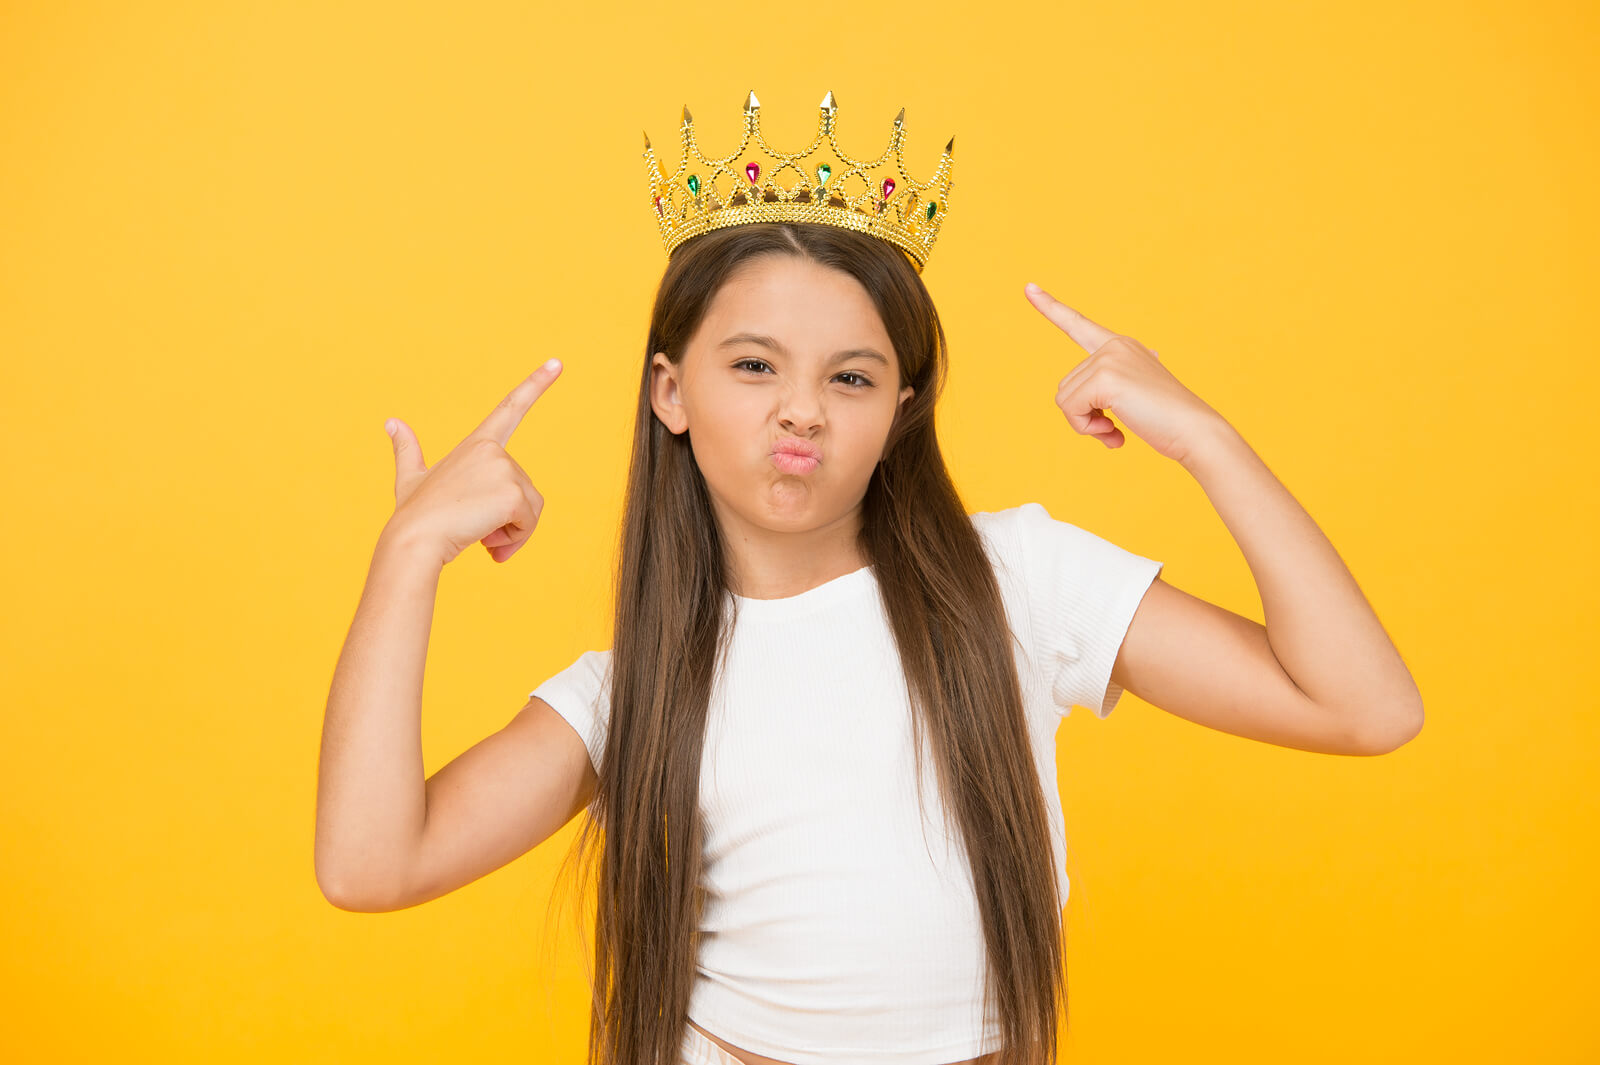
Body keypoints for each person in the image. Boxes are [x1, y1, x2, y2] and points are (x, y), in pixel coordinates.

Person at [316, 95, 1424, 1065]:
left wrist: (1205, 440)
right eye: (754, 365)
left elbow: (1364, 708)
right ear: (671, 392)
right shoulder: (632, 692)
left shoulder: (1019, 582)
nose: (801, 410)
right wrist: (409, 555)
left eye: (850, 377)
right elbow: (369, 866)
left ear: (901, 408)